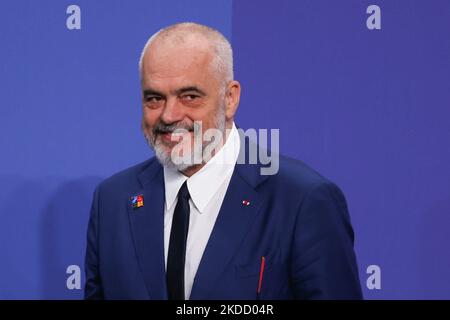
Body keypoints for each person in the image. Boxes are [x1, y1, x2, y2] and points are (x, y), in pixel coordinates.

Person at [84, 22, 362, 300]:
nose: (169, 115)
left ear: (230, 99)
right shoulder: (112, 201)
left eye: (189, 96)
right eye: (154, 98)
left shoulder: (302, 200)